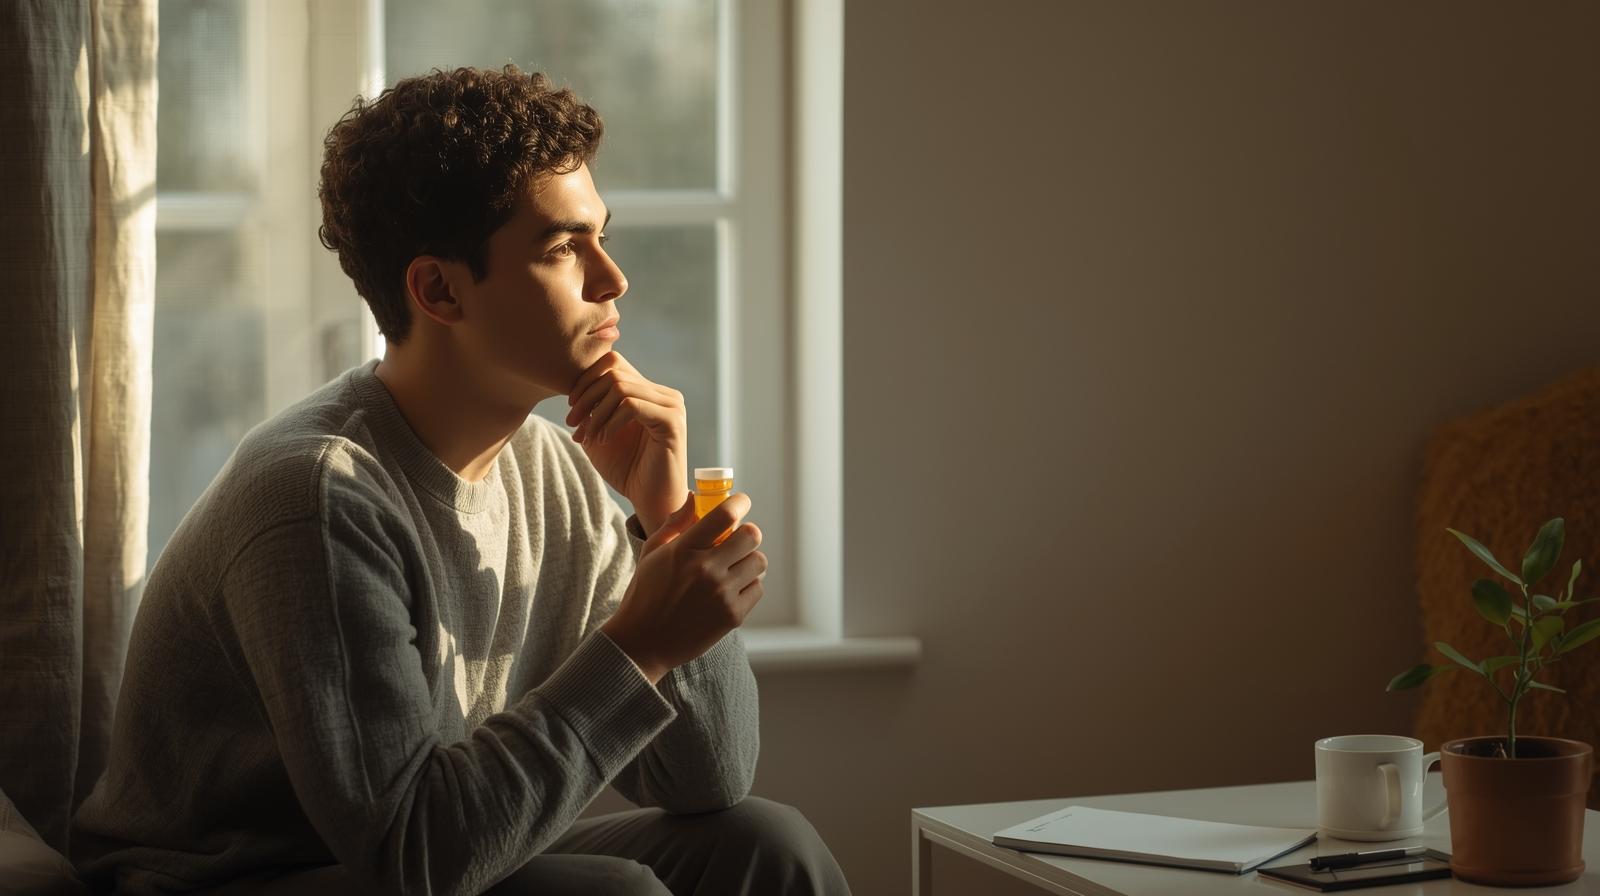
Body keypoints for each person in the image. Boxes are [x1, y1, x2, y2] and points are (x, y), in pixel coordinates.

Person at [70, 65, 851, 896]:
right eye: (562, 249)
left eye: (603, 238)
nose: (611, 280)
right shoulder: (318, 497)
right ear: (438, 289)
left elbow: (711, 781)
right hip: (231, 881)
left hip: (421, 852)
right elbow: (414, 855)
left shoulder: (556, 472)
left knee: (766, 843)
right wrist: (642, 641)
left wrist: (662, 522)